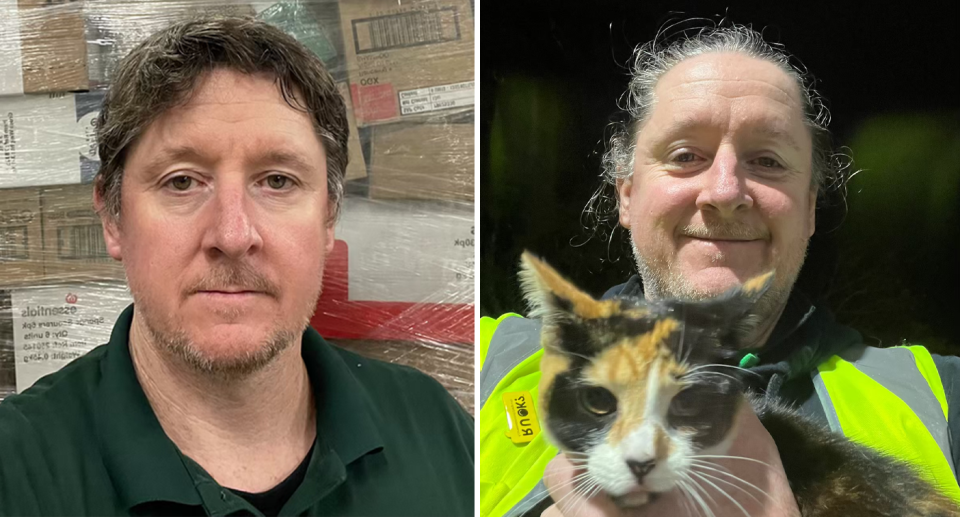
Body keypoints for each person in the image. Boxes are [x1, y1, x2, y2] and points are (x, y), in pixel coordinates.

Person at [479, 25, 960, 517]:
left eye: (767, 161)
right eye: (686, 156)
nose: (726, 192)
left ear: (810, 208)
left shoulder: (941, 400)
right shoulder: (481, 360)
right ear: (627, 193)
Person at [0, 17, 473, 517]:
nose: (232, 235)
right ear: (113, 218)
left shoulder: (438, 431)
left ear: (329, 215)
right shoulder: (17, 474)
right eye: (182, 182)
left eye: (277, 181)